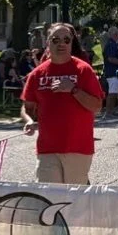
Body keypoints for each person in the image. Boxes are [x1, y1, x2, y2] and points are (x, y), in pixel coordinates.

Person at [21, 23, 104, 184]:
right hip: (47, 148)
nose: (61, 44)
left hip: (78, 148)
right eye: (56, 40)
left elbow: (97, 106)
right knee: (49, 195)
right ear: (48, 42)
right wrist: (29, 120)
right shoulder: (37, 74)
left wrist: (73, 89)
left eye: (66, 40)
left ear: (71, 43)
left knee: (73, 197)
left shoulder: (83, 70)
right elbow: (27, 107)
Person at [99, 26, 118, 120]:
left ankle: (116, 109)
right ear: (114, 34)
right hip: (112, 72)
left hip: (115, 72)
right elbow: (110, 58)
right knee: (112, 93)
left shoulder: (114, 43)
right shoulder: (111, 44)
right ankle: (108, 112)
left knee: (117, 91)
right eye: (117, 33)